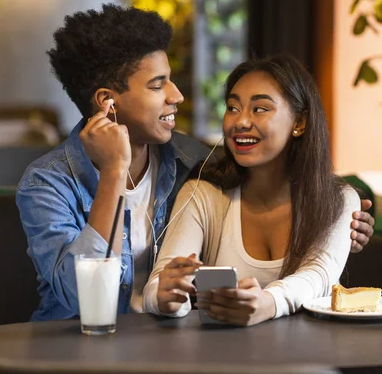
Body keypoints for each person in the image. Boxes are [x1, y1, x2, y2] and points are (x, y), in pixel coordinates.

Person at [16, 4, 374, 322]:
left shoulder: (193, 161)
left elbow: (268, 175)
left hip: (167, 341)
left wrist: (339, 222)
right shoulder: (46, 184)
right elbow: (87, 297)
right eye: (158, 86)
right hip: (77, 344)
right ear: (108, 102)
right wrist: (113, 173)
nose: (177, 95)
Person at [143, 54, 363, 326]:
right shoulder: (203, 193)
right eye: (233, 108)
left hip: (310, 358)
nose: (241, 122)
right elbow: (159, 282)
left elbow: (318, 275)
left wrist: (267, 304)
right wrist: (166, 297)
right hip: (222, 360)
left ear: (299, 123)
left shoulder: (339, 199)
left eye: (260, 109)